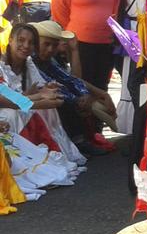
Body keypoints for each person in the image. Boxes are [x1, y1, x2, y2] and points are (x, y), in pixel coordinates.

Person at [0, 24, 86, 166]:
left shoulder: (28, 62)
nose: (25, 46)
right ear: (10, 40)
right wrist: (38, 99)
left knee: (49, 107)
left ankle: (51, 152)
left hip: (17, 104)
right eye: (21, 40)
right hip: (6, 110)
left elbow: (38, 87)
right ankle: (25, 161)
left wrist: (47, 90)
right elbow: (4, 99)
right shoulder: (1, 66)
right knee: (13, 114)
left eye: (31, 43)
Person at [31, 20, 118, 156]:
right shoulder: (31, 60)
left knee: (71, 97)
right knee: (63, 100)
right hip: (30, 100)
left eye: (54, 45)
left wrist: (85, 95)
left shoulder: (49, 60)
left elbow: (70, 79)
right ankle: (78, 142)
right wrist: (79, 100)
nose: (50, 50)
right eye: (46, 44)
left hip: (33, 98)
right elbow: (45, 83)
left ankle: (81, 140)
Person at [51, 0, 125, 95]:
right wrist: (67, 31)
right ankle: (81, 117)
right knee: (80, 82)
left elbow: (119, 7)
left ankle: (97, 117)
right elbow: (59, 6)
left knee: (101, 82)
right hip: (78, 43)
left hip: (106, 42)